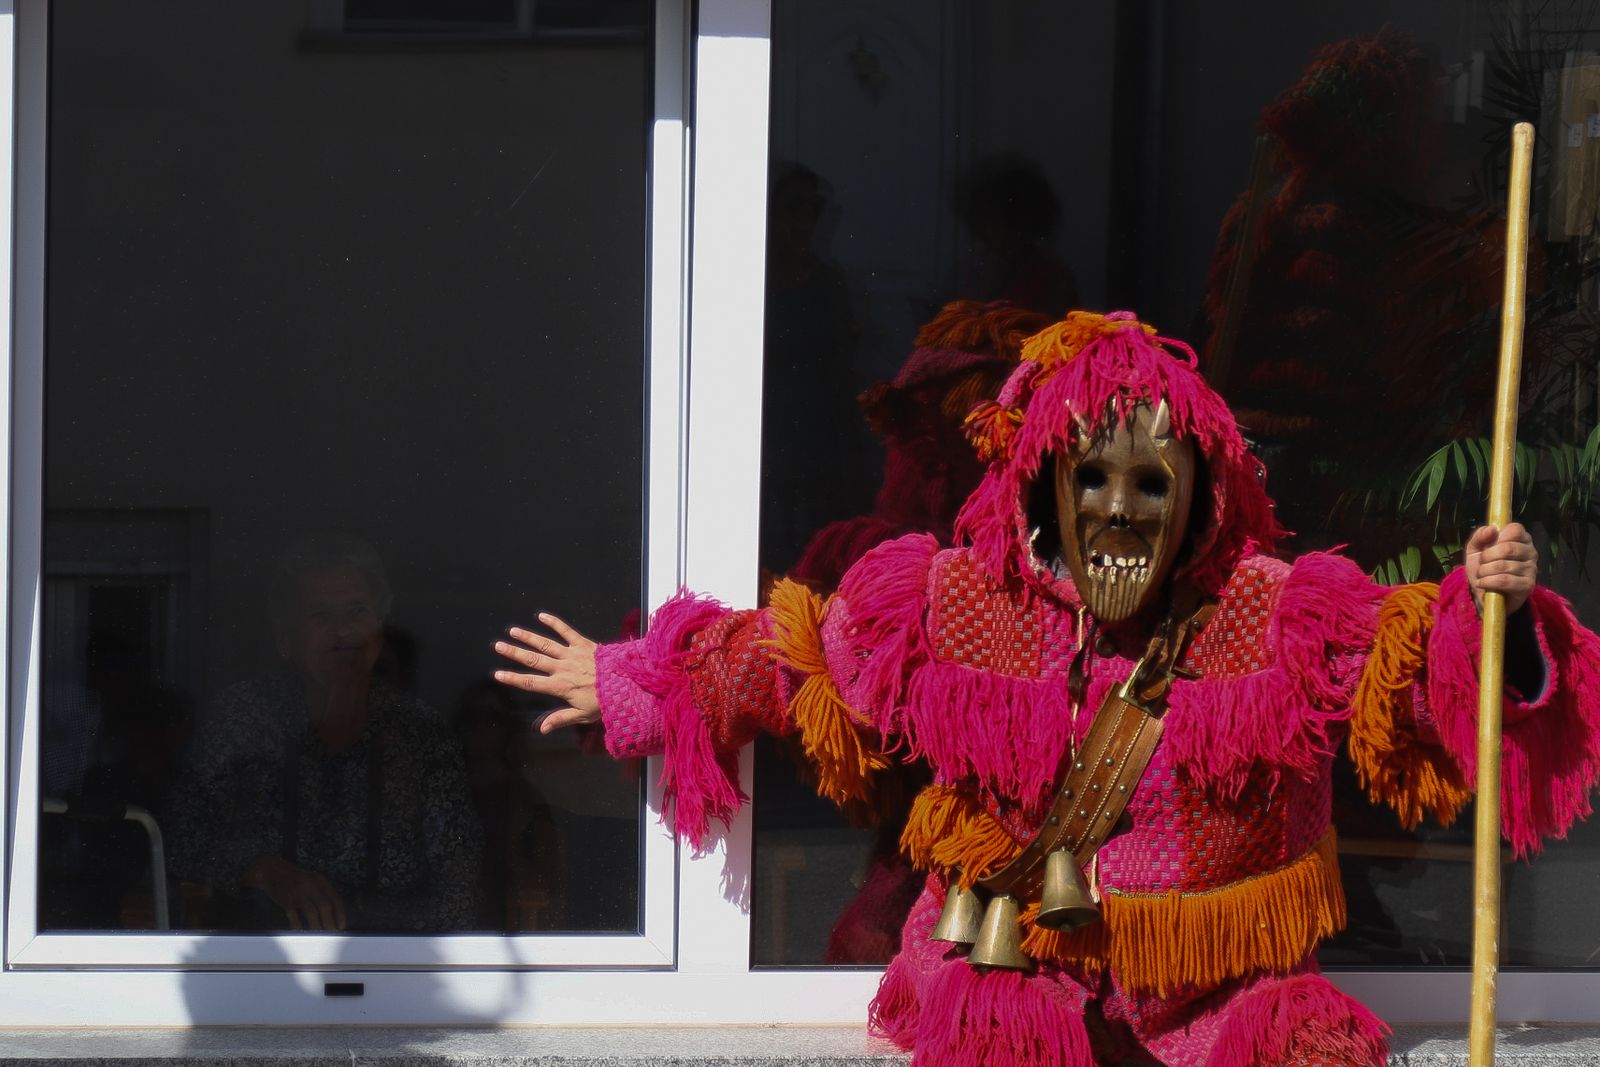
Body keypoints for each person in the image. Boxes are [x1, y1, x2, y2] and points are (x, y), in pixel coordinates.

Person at [494, 312, 1600, 1065]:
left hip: (1223, 1003)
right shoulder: (952, 598)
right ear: (1043, 485)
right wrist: (632, 677)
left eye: (1151, 481)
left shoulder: (1276, 609)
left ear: (1199, 492)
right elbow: (790, 660)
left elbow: (1418, 681)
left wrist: (1491, 619)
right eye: (1094, 478)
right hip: (1006, 980)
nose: (1121, 509)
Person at [172, 533, 482, 932]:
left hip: (398, 964)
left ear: (380, 631)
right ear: (285, 639)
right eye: (320, 615)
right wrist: (263, 871)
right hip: (259, 964)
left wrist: (373, 934)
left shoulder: (421, 733)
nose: (343, 632)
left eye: (356, 612)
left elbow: (459, 882)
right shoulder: (243, 718)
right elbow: (181, 838)